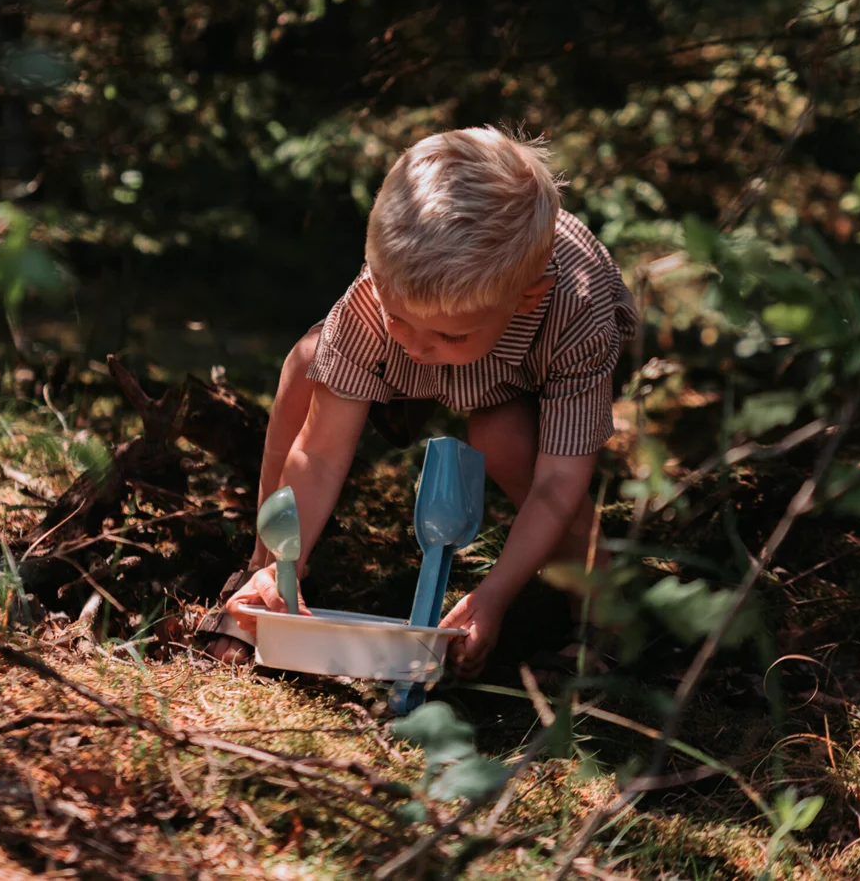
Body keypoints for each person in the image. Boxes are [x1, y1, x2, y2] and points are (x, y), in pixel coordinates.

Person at [197, 126, 638, 678]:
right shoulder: (381, 301)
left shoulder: (576, 312)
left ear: (527, 298)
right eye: (398, 318)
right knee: (308, 365)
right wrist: (287, 557)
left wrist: (493, 596)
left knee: (504, 441)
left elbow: (558, 480)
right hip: (459, 332)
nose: (420, 347)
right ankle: (268, 576)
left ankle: (598, 608)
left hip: (530, 369)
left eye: (449, 336)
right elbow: (321, 454)